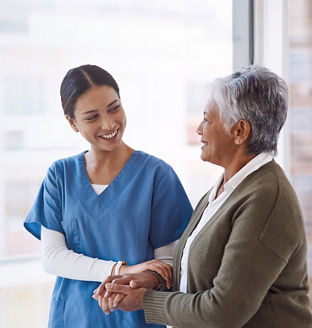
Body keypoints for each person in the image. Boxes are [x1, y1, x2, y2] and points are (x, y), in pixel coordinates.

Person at [94, 65, 312, 328]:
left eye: (208, 119)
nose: (199, 129)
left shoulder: (265, 198)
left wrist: (146, 300)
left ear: (240, 132)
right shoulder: (227, 188)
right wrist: (154, 280)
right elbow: (204, 272)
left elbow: (223, 312)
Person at [24, 64, 193, 328]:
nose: (108, 124)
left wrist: (139, 279)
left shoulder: (157, 175)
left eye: (114, 108)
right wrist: (120, 270)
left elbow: (165, 264)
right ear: (72, 123)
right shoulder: (60, 176)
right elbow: (53, 257)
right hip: (73, 318)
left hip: (135, 318)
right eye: (92, 117)